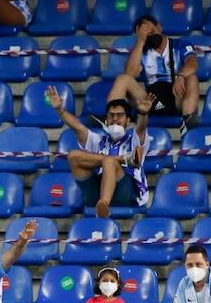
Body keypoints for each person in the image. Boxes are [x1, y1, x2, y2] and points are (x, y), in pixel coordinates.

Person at [49, 87, 152, 219]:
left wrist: (143, 114)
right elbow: (77, 127)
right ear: (106, 120)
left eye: (119, 115)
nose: (115, 119)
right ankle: (101, 203)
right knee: (73, 156)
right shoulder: (98, 141)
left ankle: (104, 206)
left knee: (109, 161)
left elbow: (141, 128)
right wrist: (60, 110)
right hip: (97, 190)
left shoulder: (134, 139)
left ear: (128, 121)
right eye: (111, 115)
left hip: (126, 194)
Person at [108, 15, 200, 133]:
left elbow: (192, 64)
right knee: (122, 79)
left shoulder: (180, 44)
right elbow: (130, 73)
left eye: (152, 31)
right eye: (147, 35)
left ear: (159, 27)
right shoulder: (141, 51)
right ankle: (112, 121)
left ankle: (187, 122)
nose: (151, 36)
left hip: (176, 95)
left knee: (191, 77)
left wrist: (181, 76)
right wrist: (140, 41)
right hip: (150, 99)